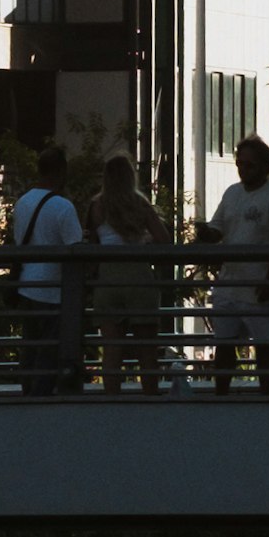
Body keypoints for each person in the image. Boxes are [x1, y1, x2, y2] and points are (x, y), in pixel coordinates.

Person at [202, 132, 269, 391]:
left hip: (259, 287)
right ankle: (221, 393)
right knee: (224, 345)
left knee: (264, 346)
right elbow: (217, 229)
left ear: (265, 167)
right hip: (230, 283)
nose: (243, 170)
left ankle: (266, 395)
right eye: (240, 164)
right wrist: (205, 235)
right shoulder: (232, 193)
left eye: (249, 165)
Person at [8, 145, 87, 393]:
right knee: (50, 348)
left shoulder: (22, 202)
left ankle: (28, 390)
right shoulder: (63, 207)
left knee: (30, 345)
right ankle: (42, 395)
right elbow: (75, 250)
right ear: (60, 172)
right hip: (53, 289)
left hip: (26, 285)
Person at [92, 152, 170, 391]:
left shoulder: (97, 205)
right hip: (139, 276)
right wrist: (145, 242)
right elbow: (164, 240)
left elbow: (95, 240)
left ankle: (112, 400)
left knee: (111, 349)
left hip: (108, 278)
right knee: (146, 349)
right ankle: (149, 399)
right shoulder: (141, 204)